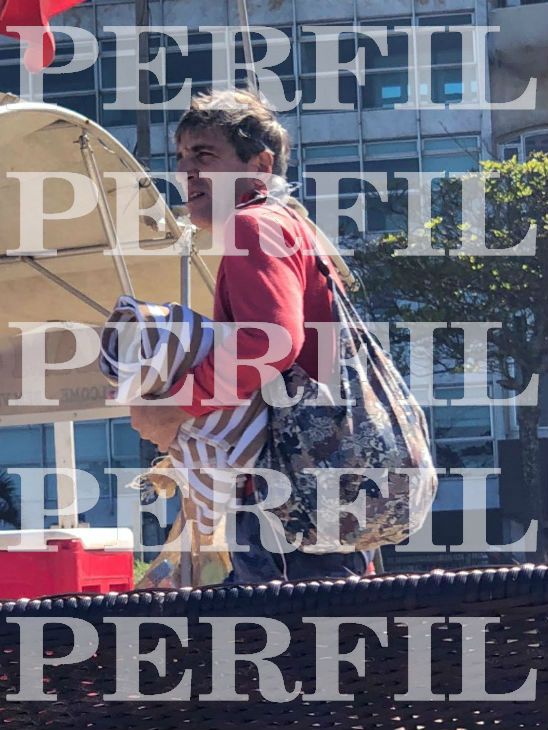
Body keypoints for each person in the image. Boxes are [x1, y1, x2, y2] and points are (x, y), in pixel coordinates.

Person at [130, 88, 372, 582]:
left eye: (204, 155)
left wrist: (176, 406)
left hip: (285, 495)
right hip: (322, 489)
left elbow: (268, 343)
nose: (187, 172)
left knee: (276, 647)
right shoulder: (290, 226)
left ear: (259, 164)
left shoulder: (252, 224)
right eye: (181, 157)